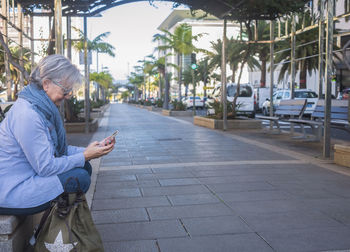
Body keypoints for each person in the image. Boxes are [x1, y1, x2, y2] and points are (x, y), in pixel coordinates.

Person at [0, 54, 115, 216]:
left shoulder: (39, 108)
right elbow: (46, 167)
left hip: (25, 178)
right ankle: (58, 232)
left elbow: (53, 150)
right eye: (65, 90)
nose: (68, 96)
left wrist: (88, 151)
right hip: (12, 191)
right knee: (79, 177)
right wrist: (84, 156)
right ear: (46, 84)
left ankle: (60, 229)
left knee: (83, 167)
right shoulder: (28, 115)